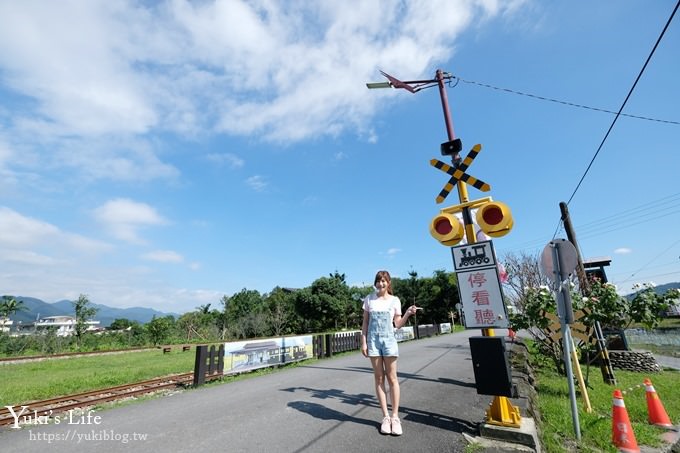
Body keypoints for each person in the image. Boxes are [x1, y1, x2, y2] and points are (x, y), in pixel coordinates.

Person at [361, 270, 419, 436]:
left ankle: (395, 417)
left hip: (389, 341)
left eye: (384, 281)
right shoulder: (369, 299)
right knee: (378, 378)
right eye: (378, 281)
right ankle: (385, 417)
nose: (381, 284)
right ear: (375, 283)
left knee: (392, 378)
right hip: (373, 341)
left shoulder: (395, 300)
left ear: (388, 283)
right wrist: (363, 342)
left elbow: (397, 324)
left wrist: (408, 313)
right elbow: (365, 323)